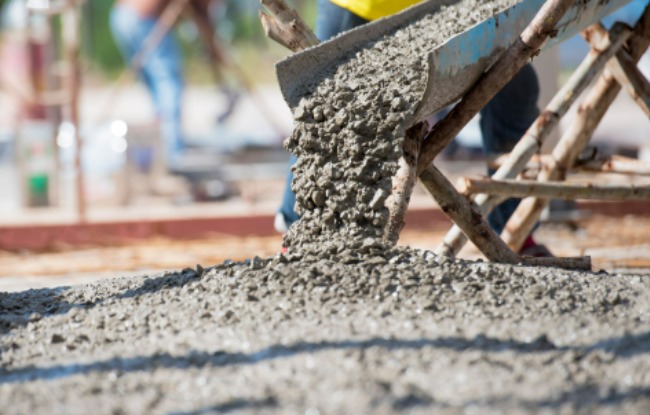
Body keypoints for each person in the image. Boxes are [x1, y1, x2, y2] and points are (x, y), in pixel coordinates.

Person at [276, 0, 549, 256]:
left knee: (516, 90)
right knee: (328, 112)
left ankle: (517, 232)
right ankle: (301, 235)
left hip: (449, 10)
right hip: (363, 6)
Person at [110, 0, 185, 170]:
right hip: (143, 16)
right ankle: (171, 154)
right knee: (167, 82)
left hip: (122, 15)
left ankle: (160, 148)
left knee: (155, 85)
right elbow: (204, 11)